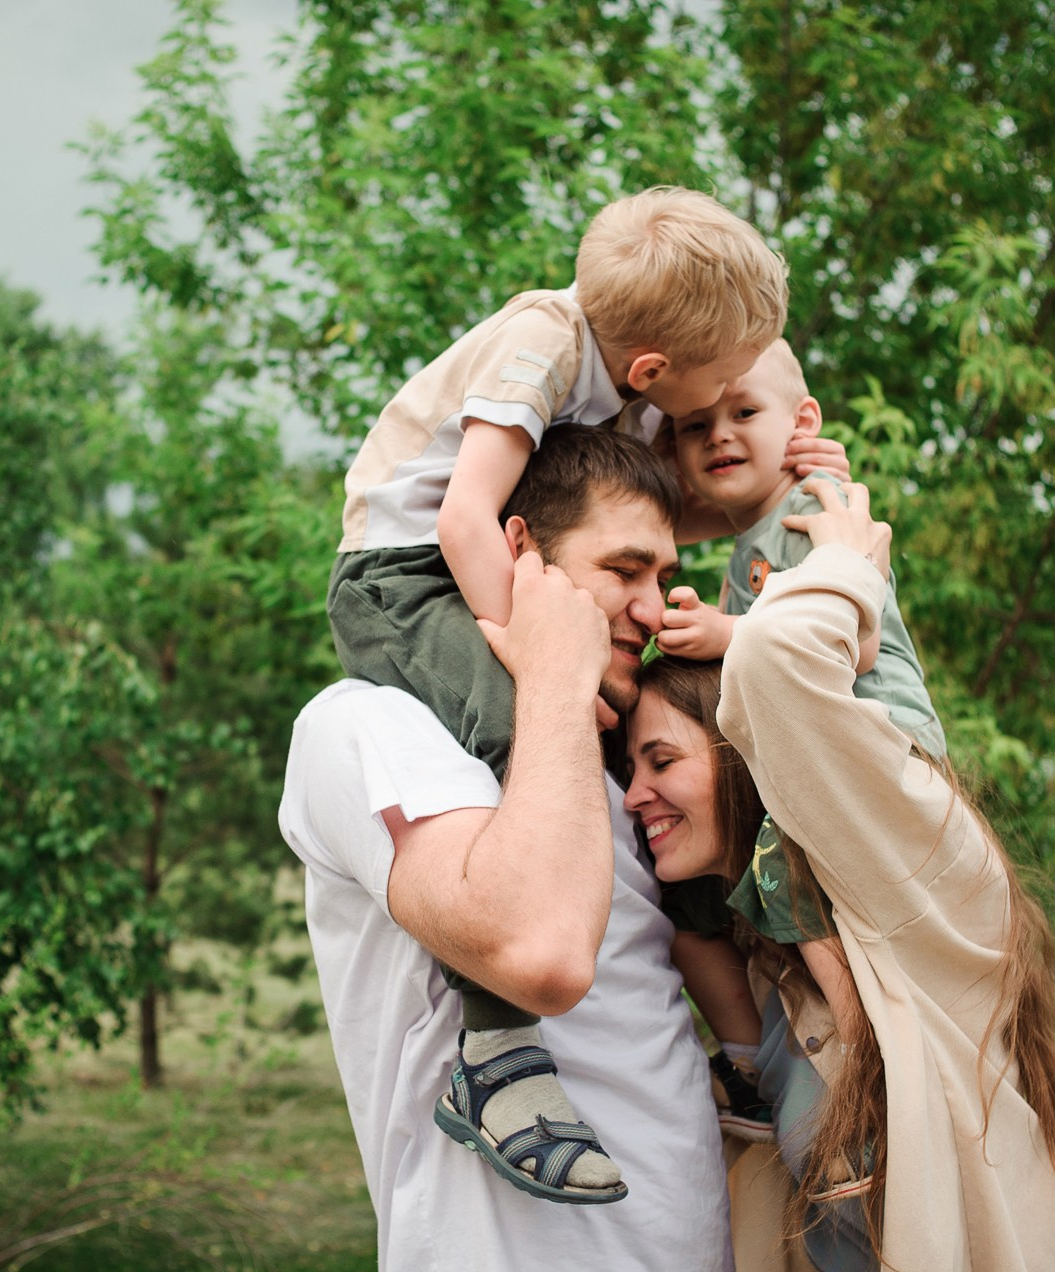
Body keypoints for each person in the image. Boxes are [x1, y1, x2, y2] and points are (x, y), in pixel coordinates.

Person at [325, 185, 789, 1199]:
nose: (722, 398)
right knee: (512, 724)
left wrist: (793, 494)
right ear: (651, 370)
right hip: (401, 574)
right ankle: (493, 1053)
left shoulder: (622, 390)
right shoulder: (543, 341)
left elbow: (637, 510)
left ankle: (746, 1041)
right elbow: (464, 519)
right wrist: (542, 665)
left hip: (487, 559)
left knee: (652, 734)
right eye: (720, 382)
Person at [621, 477, 1055, 1272]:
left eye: (661, 761)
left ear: (742, 749)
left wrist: (848, 565)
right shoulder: (773, 943)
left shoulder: (911, 856)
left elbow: (775, 662)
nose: (637, 794)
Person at [279, 426, 733, 1272]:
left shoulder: (624, 775)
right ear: (518, 548)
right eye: (624, 569)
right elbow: (541, 954)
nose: (652, 609)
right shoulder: (364, 726)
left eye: (662, 576)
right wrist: (554, 672)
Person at [649, 338, 947, 1145]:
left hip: (883, 736)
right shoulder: (754, 530)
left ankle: (866, 1052)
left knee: (783, 867)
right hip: (824, 748)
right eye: (694, 425)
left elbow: (851, 642)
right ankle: (781, 1050)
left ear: (802, 423)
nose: (718, 435)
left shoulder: (817, 502)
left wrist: (726, 633)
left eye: (744, 412)